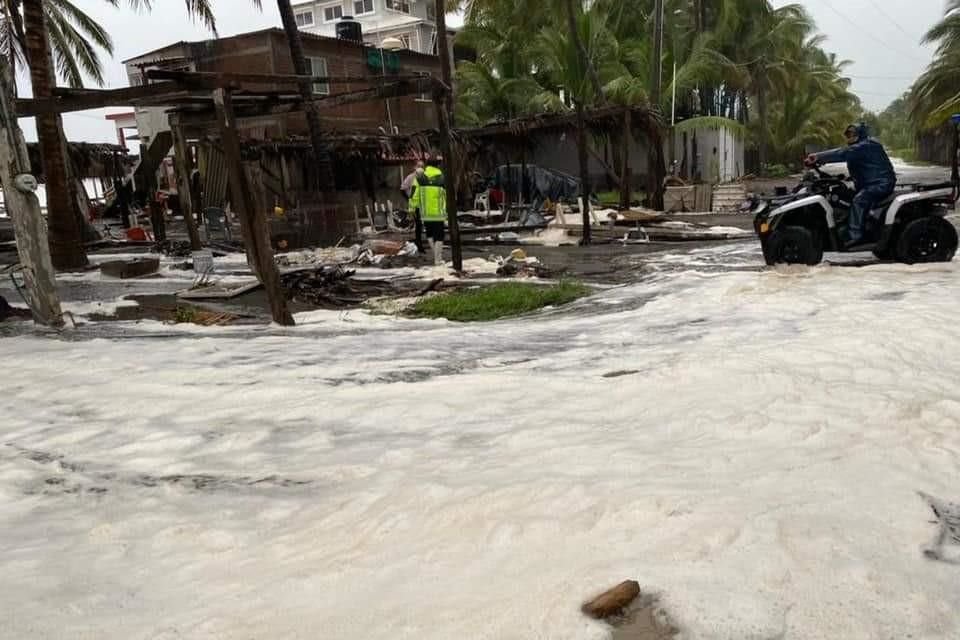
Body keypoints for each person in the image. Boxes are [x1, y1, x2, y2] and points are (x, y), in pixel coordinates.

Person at [805, 123, 896, 248]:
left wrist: (818, 157)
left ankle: (855, 235)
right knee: (845, 194)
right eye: (847, 133)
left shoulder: (866, 145)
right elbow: (863, 167)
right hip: (869, 182)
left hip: (880, 183)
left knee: (859, 200)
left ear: (860, 133)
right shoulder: (858, 148)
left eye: (852, 133)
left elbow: (842, 153)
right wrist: (842, 178)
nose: (849, 136)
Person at [410, 162, 447, 265]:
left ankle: (437, 258)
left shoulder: (419, 178)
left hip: (425, 214)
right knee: (439, 236)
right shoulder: (442, 178)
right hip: (438, 214)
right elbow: (446, 196)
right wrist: (447, 212)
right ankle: (438, 259)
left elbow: (413, 195)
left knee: (430, 234)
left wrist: (412, 208)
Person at [402, 161, 426, 251]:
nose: (420, 168)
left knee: (420, 225)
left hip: (423, 204)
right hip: (415, 204)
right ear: (415, 167)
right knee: (418, 224)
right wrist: (409, 199)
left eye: (422, 166)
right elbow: (403, 188)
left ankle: (419, 242)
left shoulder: (425, 177)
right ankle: (418, 243)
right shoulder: (411, 177)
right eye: (419, 166)